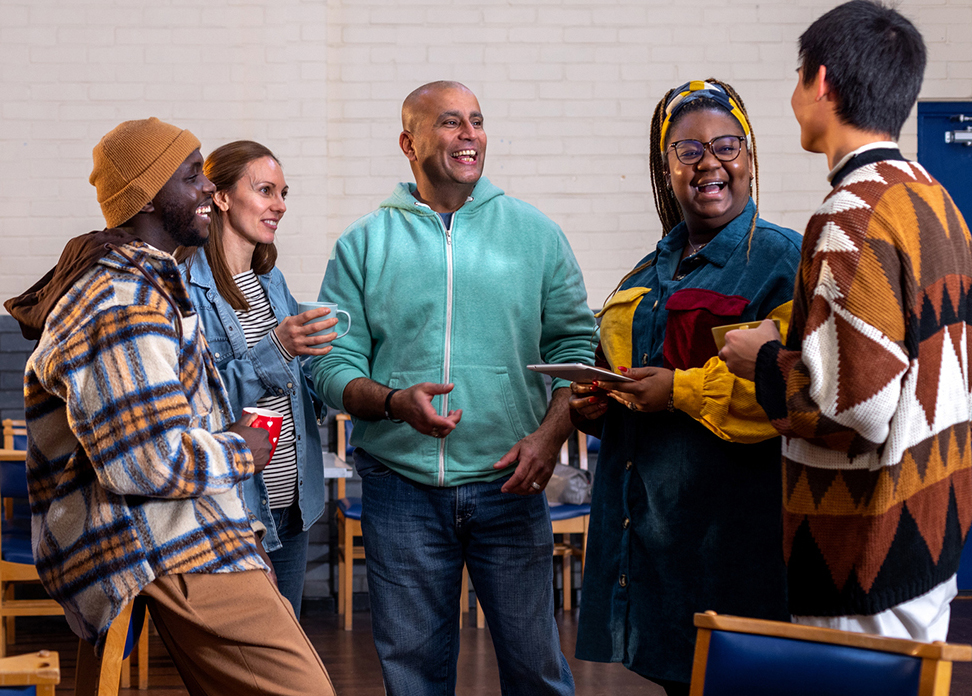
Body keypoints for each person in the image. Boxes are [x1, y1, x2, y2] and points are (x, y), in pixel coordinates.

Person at [3, 119, 335, 695]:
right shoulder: (121, 301)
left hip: (179, 525)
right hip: (166, 536)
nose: (208, 189)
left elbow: (161, 422)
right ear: (149, 195)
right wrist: (240, 448)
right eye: (192, 176)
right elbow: (147, 462)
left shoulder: (145, 286)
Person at [720, 0, 972, 643]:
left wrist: (761, 357)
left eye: (796, 76)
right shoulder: (937, 201)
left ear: (821, 82)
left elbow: (858, 413)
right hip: (932, 536)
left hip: (863, 548)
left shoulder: (850, 216)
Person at [311, 81, 595, 695]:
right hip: (400, 490)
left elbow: (577, 350)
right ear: (408, 142)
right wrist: (391, 402)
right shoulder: (364, 243)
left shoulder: (536, 235)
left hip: (510, 483)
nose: (469, 133)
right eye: (449, 122)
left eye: (477, 121)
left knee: (538, 670)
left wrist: (548, 439)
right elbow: (331, 365)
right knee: (413, 678)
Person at [570, 80, 801, 695]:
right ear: (664, 168)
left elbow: (791, 391)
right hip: (651, 534)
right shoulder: (643, 276)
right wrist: (596, 403)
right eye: (687, 151)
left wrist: (678, 391)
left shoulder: (783, 262)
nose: (709, 163)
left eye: (727, 145)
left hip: (734, 536)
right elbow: (619, 372)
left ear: (749, 156)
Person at [179, 140, 336, 618]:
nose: (279, 205)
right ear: (222, 197)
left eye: (284, 193)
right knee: (250, 658)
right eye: (266, 190)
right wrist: (280, 349)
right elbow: (198, 399)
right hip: (239, 510)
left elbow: (293, 391)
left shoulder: (273, 284)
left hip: (293, 503)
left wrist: (330, 370)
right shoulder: (186, 288)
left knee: (284, 641)